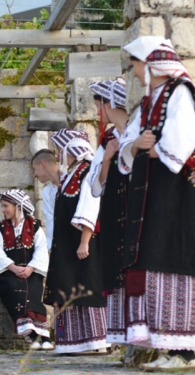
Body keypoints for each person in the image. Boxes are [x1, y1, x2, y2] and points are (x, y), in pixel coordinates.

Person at [118, 36, 195, 370]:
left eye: (135, 64)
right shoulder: (151, 100)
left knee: (172, 258)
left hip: (174, 196)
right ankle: (168, 346)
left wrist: (155, 147)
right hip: (152, 195)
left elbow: (185, 139)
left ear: (151, 64)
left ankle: (185, 350)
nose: (134, 72)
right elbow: (127, 142)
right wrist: (137, 145)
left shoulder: (180, 92)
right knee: (151, 258)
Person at [43, 128, 109, 354]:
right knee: (68, 287)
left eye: (62, 148)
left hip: (82, 243)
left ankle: (97, 340)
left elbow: (90, 206)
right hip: (67, 244)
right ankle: (74, 341)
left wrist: (84, 241)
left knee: (87, 286)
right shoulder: (72, 173)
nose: (60, 153)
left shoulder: (88, 171)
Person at [86, 79, 129, 345]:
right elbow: (95, 187)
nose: (98, 111)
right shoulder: (108, 139)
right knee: (116, 271)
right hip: (114, 213)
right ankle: (123, 336)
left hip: (135, 211)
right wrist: (107, 158)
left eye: (99, 104)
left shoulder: (135, 131)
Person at [0, 189, 53, 350]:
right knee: (15, 288)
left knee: (31, 289)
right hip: (7, 273)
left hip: (31, 271)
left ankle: (43, 337)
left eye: (6, 206)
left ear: (18, 206)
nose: (3, 210)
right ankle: (34, 336)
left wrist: (30, 268)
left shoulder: (34, 226)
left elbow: (41, 250)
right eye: (2, 206)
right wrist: (13, 268)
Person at [31, 149, 60, 249]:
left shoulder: (72, 180)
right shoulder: (47, 192)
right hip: (60, 248)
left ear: (42, 164)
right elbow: (51, 222)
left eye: (34, 169)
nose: (34, 175)